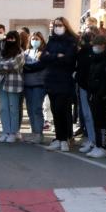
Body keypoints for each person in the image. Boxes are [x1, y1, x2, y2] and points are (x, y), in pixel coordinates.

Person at [42, 18, 78, 152]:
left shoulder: (71, 41)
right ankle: (58, 138)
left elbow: (69, 59)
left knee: (62, 110)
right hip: (51, 80)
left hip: (65, 81)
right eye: (55, 25)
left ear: (65, 26)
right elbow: (43, 57)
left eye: (60, 25)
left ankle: (65, 139)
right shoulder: (51, 41)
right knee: (55, 111)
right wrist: (57, 56)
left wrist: (52, 56)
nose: (57, 27)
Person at [0, 30, 24, 143]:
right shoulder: (2, 52)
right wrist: (5, 66)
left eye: (12, 38)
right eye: (8, 38)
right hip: (2, 83)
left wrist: (3, 66)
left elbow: (15, 65)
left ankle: (13, 132)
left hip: (14, 84)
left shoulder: (20, 52)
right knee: (4, 109)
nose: (10, 40)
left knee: (13, 109)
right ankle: (5, 131)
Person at [83, 34, 106, 158]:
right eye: (94, 45)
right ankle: (98, 145)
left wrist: (102, 94)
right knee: (96, 121)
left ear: (104, 46)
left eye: (98, 45)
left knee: (102, 122)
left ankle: (103, 146)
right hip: (93, 94)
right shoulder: (94, 58)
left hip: (102, 96)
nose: (95, 47)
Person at [21, 31, 48, 143]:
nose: (34, 41)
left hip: (39, 85)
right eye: (33, 39)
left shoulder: (44, 53)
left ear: (41, 40)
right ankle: (34, 132)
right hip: (27, 84)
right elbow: (22, 65)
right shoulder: (26, 52)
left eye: (37, 39)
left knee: (37, 108)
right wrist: (29, 67)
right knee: (30, 110)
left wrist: (28, 67)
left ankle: (39, 133)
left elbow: (40, 67)